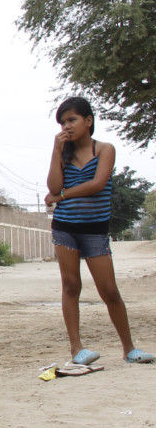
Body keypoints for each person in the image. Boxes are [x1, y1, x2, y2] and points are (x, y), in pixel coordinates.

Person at [44, 96, 152, 365]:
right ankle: (77, 349)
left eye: (72, 120)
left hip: (95, 230)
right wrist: (56, 152)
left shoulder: (104, 149)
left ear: (88, 120)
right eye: (62, 123)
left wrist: (62, 196)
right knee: (71, 285)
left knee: (109, 290)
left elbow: (98, 184)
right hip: (65, 228)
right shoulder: (63, 154)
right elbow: (53, 187)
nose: (66, 126)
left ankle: (129, 349)